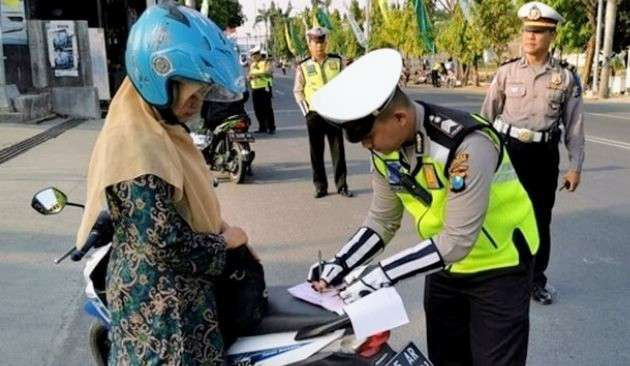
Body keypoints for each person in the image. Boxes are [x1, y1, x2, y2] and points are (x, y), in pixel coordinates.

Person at [307, 49, 539, 365]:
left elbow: (457, 240)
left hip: (500, 267)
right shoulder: (385, 149)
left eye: (367, 135)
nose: (366, 146)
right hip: (444, 267)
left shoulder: (465, 144)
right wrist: (339, 264)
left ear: (400, 118)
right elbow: (382, 221)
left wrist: (379, 275)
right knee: (445, 359)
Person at [74, 4, 250, 364]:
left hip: (179, 308)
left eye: (202, 95)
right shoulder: (136, 145)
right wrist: (226, 243)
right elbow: (166, 244)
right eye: (192, 93)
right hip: (163, 325)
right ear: (159, 77)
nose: (196, 106)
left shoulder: (161, 132)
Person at [481, 1, 585, 305]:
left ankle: (535, 280)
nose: (531, 37)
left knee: (539, 220)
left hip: (543, 155)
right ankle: (504, 276)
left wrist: (575, 166)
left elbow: (574, 126)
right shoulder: (506, 72)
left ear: (551, 35)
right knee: (503, 216)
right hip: (508, 153)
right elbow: (485, 119)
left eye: (539, 32)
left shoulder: (565, 78)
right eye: (528, 30)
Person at [294, 26, 353, 198]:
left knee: (338, 151)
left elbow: (347, 82)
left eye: (322, 42)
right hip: (314, 115)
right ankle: (320, 187)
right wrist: (307, 112)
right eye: (315, 43)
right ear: (309, 44)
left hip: (334, 113)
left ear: (326, 42)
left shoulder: (337, 61)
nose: (319, 46)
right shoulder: (304, 66)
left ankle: (342, 185)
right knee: (316, 152)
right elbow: (298, 91)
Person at [248, 46, 276, 134]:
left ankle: (271, 127)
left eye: (255, 55)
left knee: (267, 108)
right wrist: (249, 77)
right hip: (255, 88)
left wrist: (257, 75)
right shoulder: (252, 65)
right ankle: (262, 127)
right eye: (252, 56)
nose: (253, 57)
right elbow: (249, 75)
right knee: (257, 109)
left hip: (265, 88)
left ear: (259, 54)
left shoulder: (266, 62)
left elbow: (268, 72)